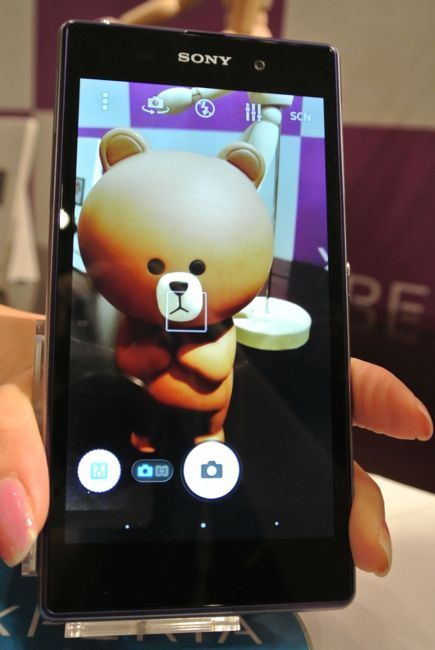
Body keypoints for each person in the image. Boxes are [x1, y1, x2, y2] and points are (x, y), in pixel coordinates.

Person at [0, 0, 432, 577]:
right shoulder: (132, 324)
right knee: (140, 426)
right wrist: (151, 354)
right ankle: (146, 438)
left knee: (215, 431)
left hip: (207, 417)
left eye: (198, 268)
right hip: (145, 411)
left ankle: (210, 437)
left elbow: (211, 371)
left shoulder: (219, 333)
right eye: (158, 265)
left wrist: (179, 354)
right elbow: (129, 361)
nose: (178, 283)